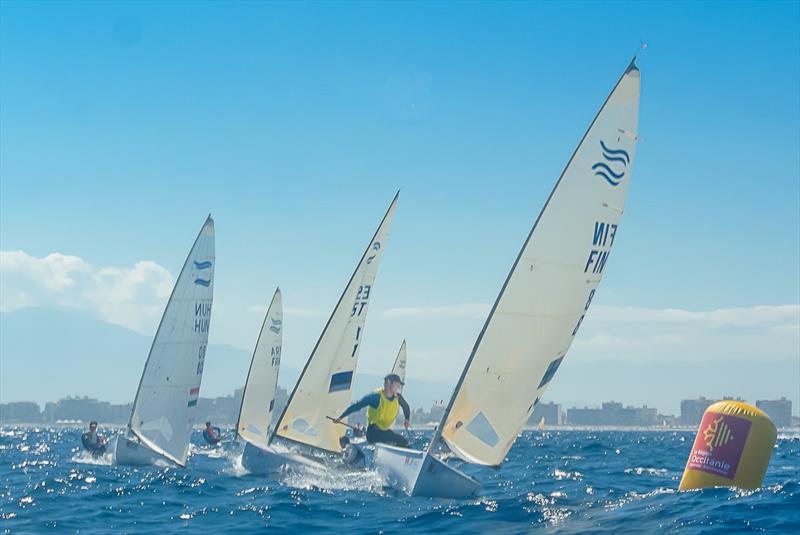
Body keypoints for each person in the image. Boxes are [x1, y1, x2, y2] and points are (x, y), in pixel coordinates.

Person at [334, 373, 411, 448]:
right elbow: (357, 405)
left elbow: (406, 407)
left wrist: (407, 419)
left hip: (384, 432)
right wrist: (341, 417)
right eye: (396, 384)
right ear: (388, 382)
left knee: (403, 442)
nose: (398, 387)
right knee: (392, 440)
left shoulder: (398, 398)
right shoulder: (375, 397)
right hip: (373, 433)